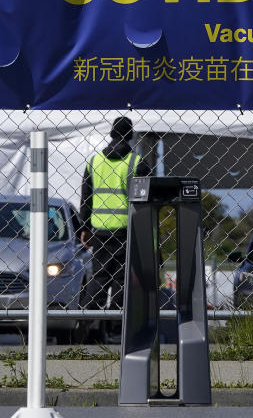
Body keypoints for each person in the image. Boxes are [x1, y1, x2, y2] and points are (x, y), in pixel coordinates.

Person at [79, 116, 151, 340]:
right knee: (121, 278)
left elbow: (86, 197)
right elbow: (146, 201)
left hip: (99, 229)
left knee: (99, 276)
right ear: (130, 136)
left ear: (111, 134)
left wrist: (84, 226)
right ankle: (117, 327)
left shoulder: (94, 161)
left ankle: (88, 324)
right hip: (125, 230)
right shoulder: (136, 163)